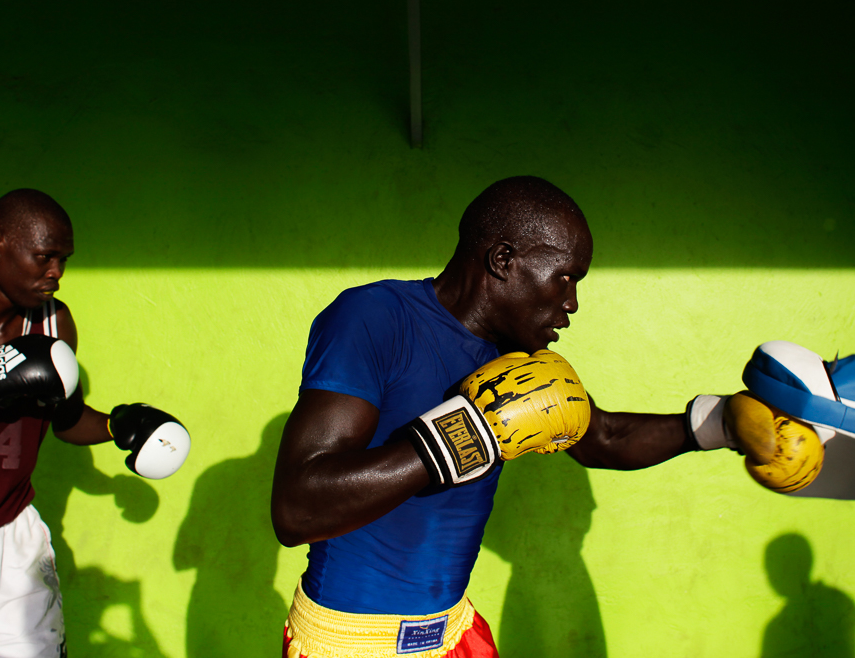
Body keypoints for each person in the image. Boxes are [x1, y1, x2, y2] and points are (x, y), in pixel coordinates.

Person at [270, 176, 744, 658]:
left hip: (456, 634)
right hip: (351, 644)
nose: (572, 303)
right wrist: (465, 435)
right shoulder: (373, 317)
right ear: (503, 261)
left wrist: (720, 422)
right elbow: (295, 509)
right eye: (565, 277)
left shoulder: (516, 359)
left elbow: (603, 436)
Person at [0, 189, 187, 658]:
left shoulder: (54, 324)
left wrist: (118, 426)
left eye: (64, 259)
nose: (57, 273)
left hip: (8, 538)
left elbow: (64, 419)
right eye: (44, 256)